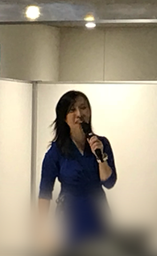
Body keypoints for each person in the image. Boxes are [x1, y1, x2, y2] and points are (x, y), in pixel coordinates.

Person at [39, 90, 117, 247]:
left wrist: (100, 157)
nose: (79, 114)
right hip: (70, 216)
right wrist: (41, 233)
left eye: (83, 108)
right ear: (64, 117)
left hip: (98, 214)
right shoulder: (56, 151)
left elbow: (109, 182)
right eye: (72, 110)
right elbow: (44, 193)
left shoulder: (102, 144)